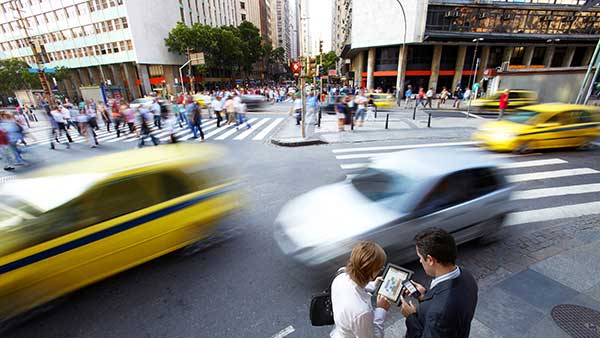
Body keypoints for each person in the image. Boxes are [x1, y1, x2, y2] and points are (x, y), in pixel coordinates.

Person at [401, 228, 478, 338]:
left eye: (420, 257)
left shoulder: (440, 312)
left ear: (430, 260)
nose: (420, 261)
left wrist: (411, 317)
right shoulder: (466, 276)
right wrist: (423, 297)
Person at [330, 241, 390, 338]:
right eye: (380, 268)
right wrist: (381, 310)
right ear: (372, 271)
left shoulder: (340, 277)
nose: (380, 271)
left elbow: (354, 285)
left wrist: (373, 285)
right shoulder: (362, 312)